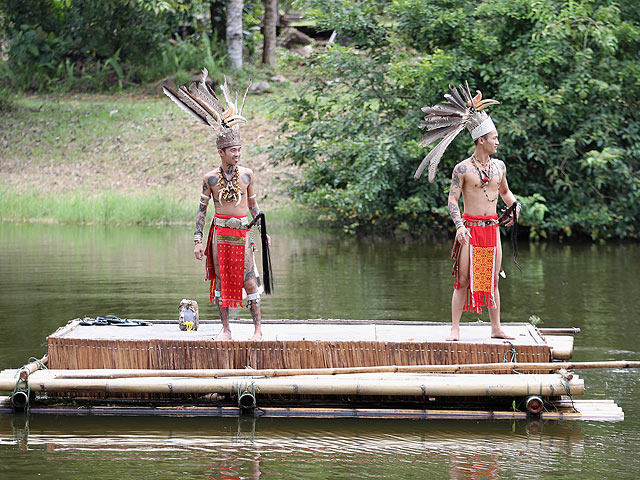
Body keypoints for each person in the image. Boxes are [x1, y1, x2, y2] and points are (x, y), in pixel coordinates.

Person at [163, 70, 272, 341]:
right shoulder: (210, 178)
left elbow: (254, 206)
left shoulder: (247, 175)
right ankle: (226, 330)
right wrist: (197, 241)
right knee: (222, 282)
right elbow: (202, 211)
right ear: (221, 152)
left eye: (240, 149)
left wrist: (263, 230)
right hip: (220, 234)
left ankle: (258, 329)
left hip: (242, 233)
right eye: (233, 150)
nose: (238, 153)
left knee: (250, 280)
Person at [414, 82, 519, 341]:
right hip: (470, 230)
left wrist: (516, 207)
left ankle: (495, 328)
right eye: (494, 138)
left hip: (491, 229)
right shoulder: (463, 169)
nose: (497, 142)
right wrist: (459, 226)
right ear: (481, 140)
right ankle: (455, 328)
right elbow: (452, 200)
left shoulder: (499, 167)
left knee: (492, 279)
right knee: (462, 279)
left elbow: (506, 194)